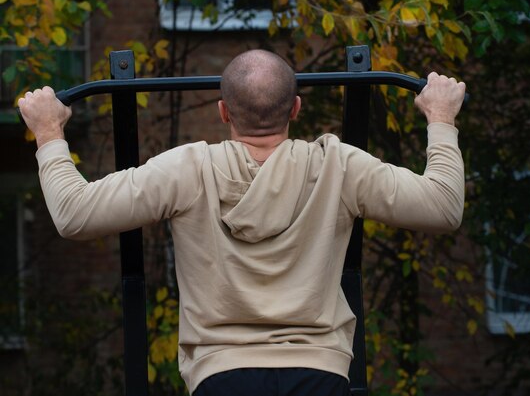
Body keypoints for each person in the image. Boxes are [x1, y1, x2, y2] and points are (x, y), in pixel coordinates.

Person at [18, 49, 466, 396]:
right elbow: (443, 207)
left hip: (221, 376)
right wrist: (441, 118)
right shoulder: (339, 166)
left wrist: (49, 134)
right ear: (295, 108)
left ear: (223, 112)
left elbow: (74, 214)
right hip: (320, 373)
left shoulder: (186, 168)